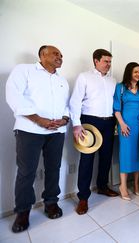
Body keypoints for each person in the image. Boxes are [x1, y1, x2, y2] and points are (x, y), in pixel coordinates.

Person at [6, 45, 69, 233]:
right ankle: (23, 212)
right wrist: (39, 120)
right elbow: (13, 96)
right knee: (26, 172)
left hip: (56, 132)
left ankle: (51, 202)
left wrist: (64, 119)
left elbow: (65, 106)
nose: (60, 57)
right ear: (42, 55)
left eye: (61, 55)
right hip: (29, 130)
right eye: (56, 54)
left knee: (53, 169)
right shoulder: (24, 70)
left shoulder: (62, 81)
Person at [69, 49, 119, 215]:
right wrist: (76, 124)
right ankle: (83, 198)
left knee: (106, 157)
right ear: (95, 61)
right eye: (106, 61)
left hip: (109, 122)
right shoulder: (84, 77)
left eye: (110, 62)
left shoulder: (113, 80)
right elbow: (75, 101)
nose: (109, 64)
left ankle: (103, 187)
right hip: (89, 122)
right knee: (87, 159)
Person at [113, 62, 139, 200]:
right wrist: (122, 124)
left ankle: (136, 185)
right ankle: (123, 186)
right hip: (126, 127)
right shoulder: (120, 88)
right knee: (125, 154)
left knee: (138, 155)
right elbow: (116, 109)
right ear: (129, 72)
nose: (138, 74)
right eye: (136, 71)